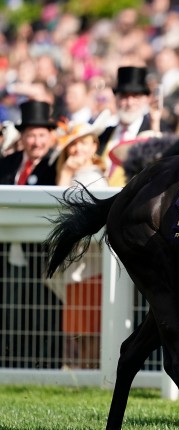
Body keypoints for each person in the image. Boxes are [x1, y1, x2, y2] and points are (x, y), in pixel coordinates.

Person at [0, 100, 62, 369]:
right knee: (11, 313)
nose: (36, 142)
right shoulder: (8, 163)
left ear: (50, 137)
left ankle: (44, 367)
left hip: (42, 257)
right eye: (31, 135)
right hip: (8, 255)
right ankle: (12, 364)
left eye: (41, 135)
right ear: (21, 137)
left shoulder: (56, 164)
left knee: (44, 315)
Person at [53, 121, 108, 369]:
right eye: (73, 144)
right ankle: (81, 374)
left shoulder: (97, 179)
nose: (77, 149)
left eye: (83, 143)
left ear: (94, 146)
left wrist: (64, 175)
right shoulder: (71, 174)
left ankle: (88, 375)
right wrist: (64, 174)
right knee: (79, 331)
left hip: (91, 266)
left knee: (90, 332)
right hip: (76, 266)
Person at [97, 66, 168, 186]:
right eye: (124, 96)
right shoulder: (104, 134)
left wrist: (154, 125)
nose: (129, 103)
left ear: (146, 99)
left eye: (136, 96)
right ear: (116, 98)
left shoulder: (155, 129)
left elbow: (161, 167)